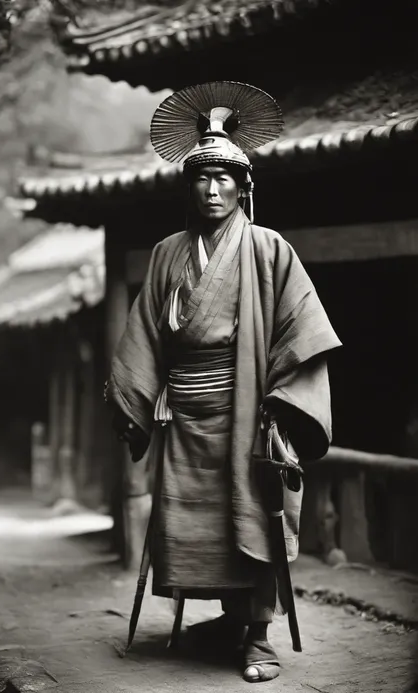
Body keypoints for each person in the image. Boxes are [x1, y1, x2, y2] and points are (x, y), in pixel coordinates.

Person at [106, 81, 341, 683]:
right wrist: (140, 394)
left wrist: (282, 404)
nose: (212, 189)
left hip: (248, 410)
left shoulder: (269, 250)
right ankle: (225, 621)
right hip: (184, 412)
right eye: (201, 179)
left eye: (224, 179)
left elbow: (300, 328)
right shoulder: (166, 254)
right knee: (196, 526)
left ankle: (258, 637)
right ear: (189, 187)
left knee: (256, 515)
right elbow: (144, 337)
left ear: (243, 187)